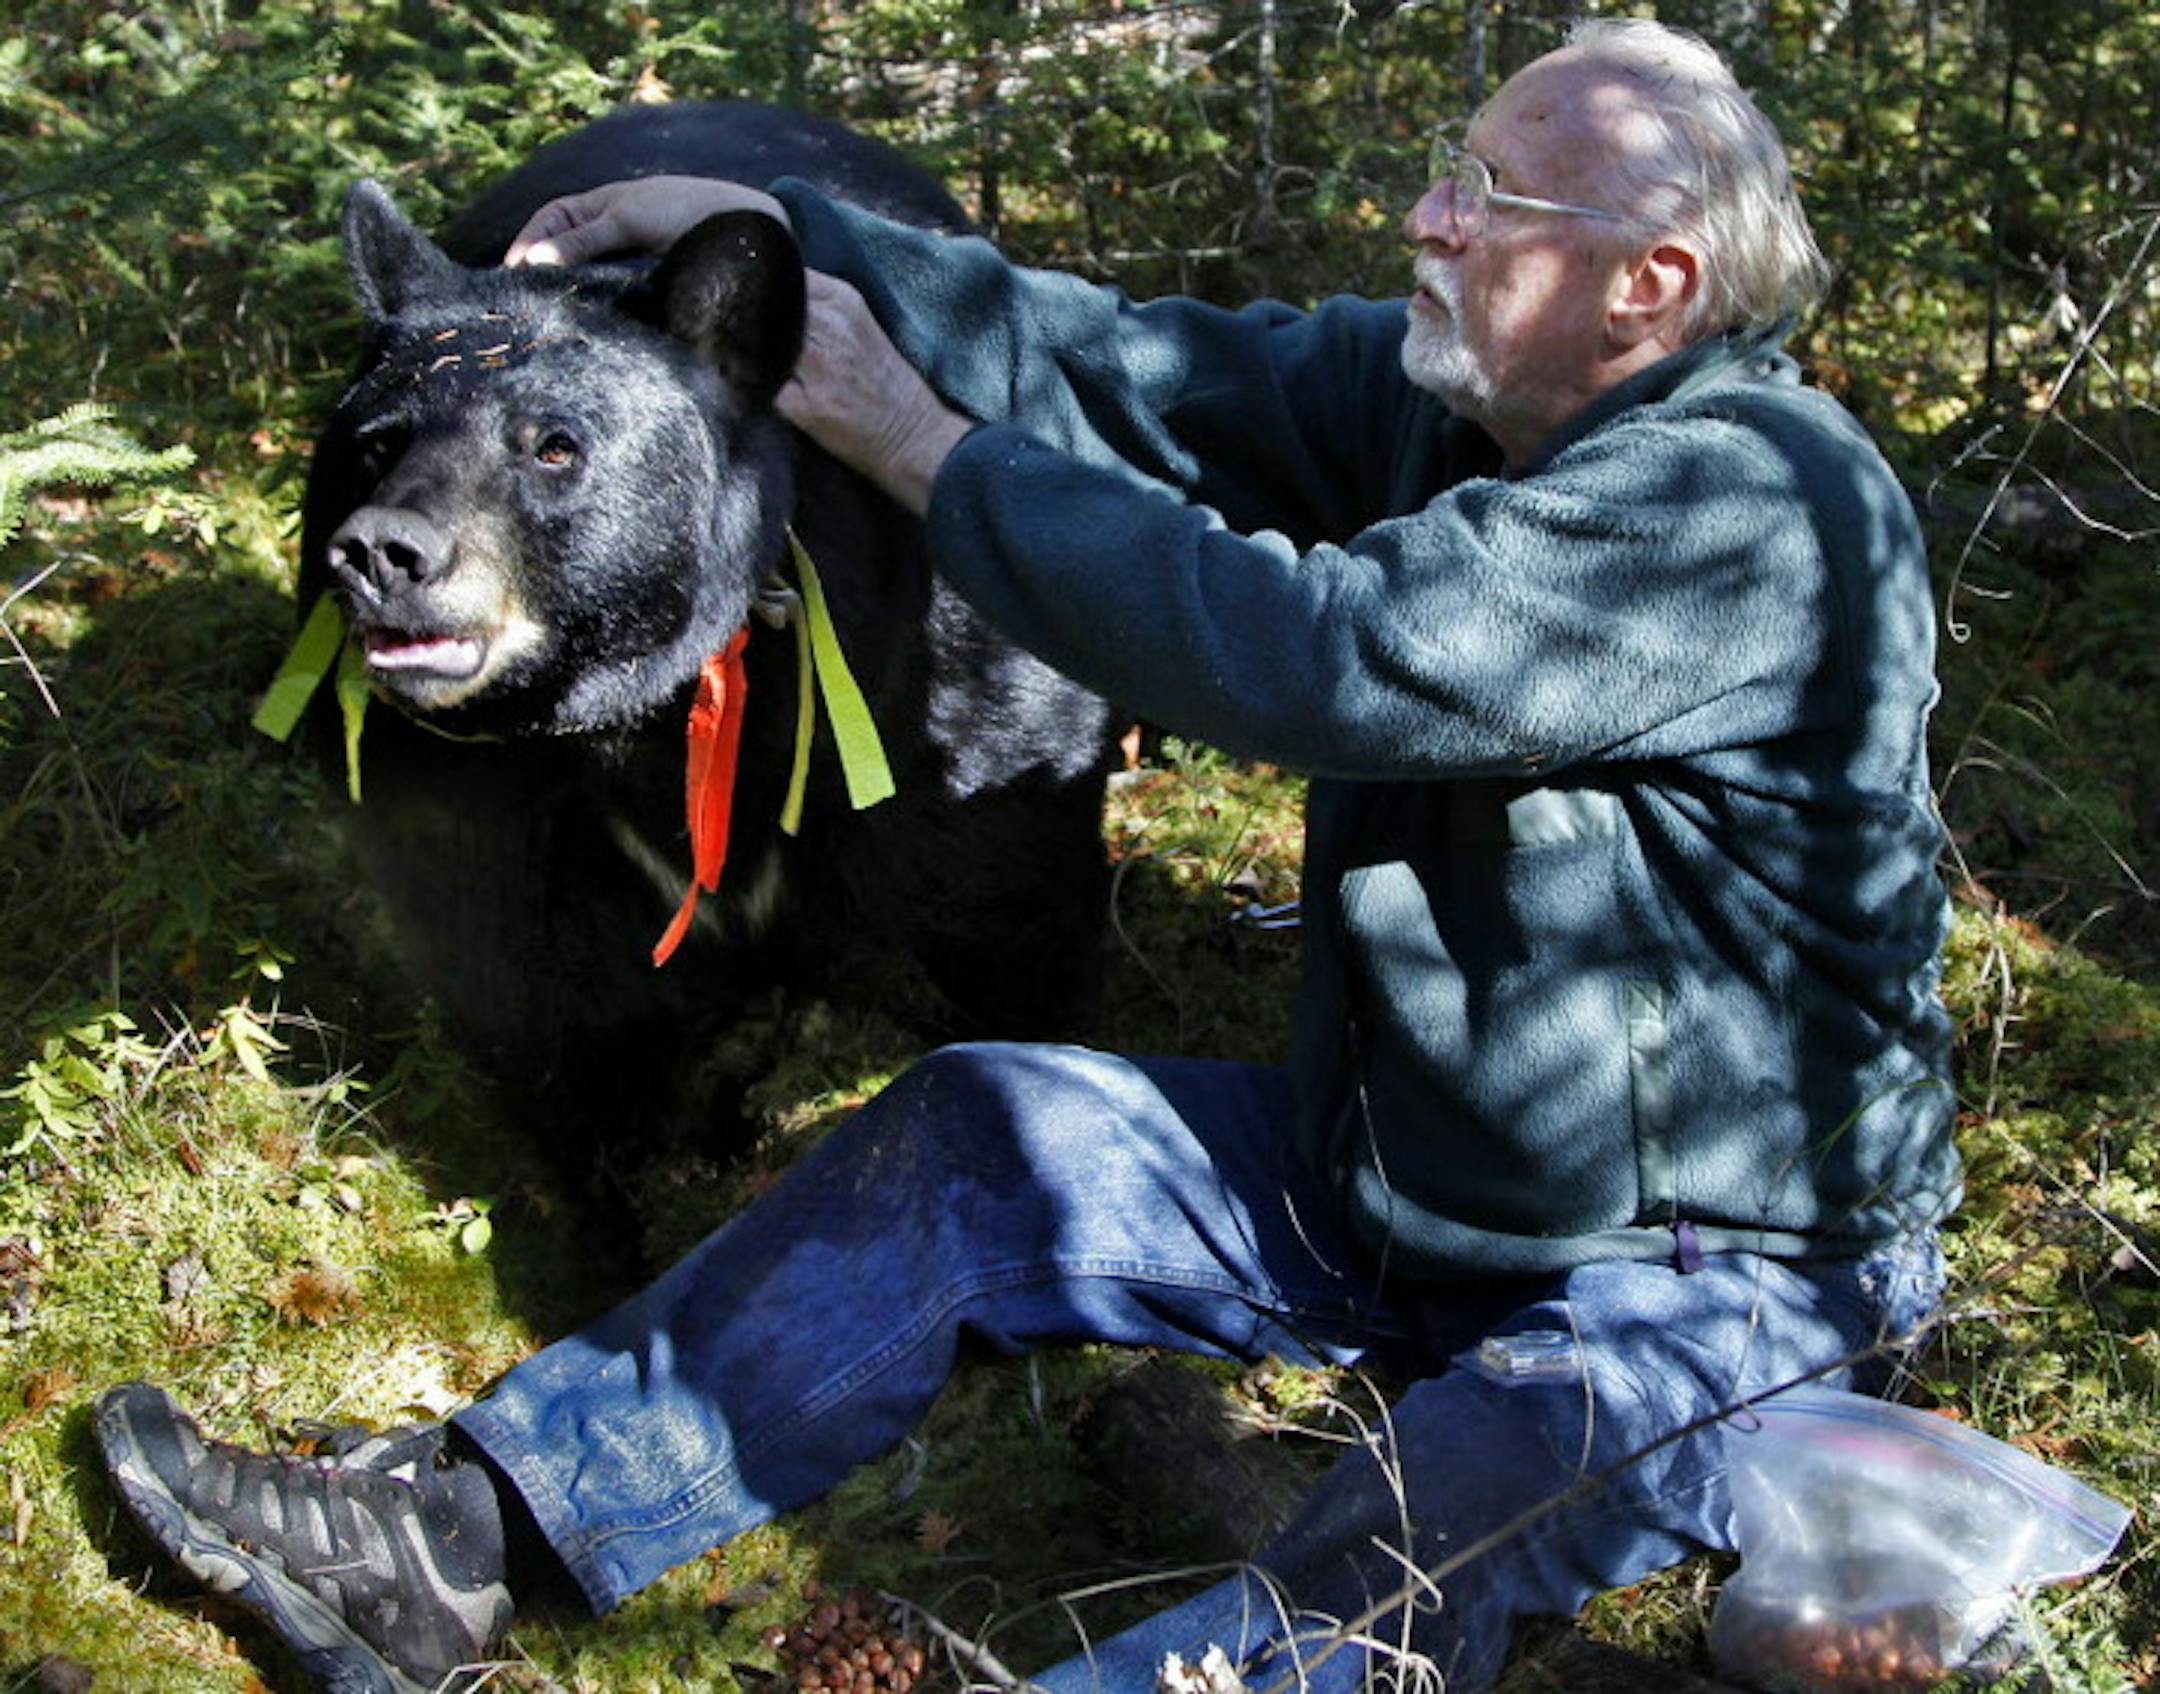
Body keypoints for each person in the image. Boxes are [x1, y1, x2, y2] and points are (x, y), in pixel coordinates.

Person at [95, 18, 1958, 1694]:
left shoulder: (1756, 502)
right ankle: (444, 1539)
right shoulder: (1455, 412)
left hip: (1714, 1275)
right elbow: (1128, 361)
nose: (1428, 216)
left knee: (1403, 1544)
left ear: (1652, 279)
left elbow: (1321, 655)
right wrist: (770, 219)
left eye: (1490, 193)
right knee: (987, 1132)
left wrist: (924, 451)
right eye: (1446, 174)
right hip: (1404, 1173)